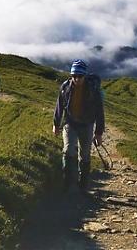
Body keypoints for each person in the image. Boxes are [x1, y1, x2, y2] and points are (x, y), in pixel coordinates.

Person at [52, 59, 105, 191]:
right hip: (70, 123)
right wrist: (56, 124)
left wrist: (98, 133)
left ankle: (83, 184)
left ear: (84, 76)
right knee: (68, 149)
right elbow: (59, 106)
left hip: (87, 124)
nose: (76, 79)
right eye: (74, 76)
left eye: (79, 76)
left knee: (85, 154)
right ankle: (67, 182)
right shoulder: (65, 88)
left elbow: (99, 111)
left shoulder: (92, 89)